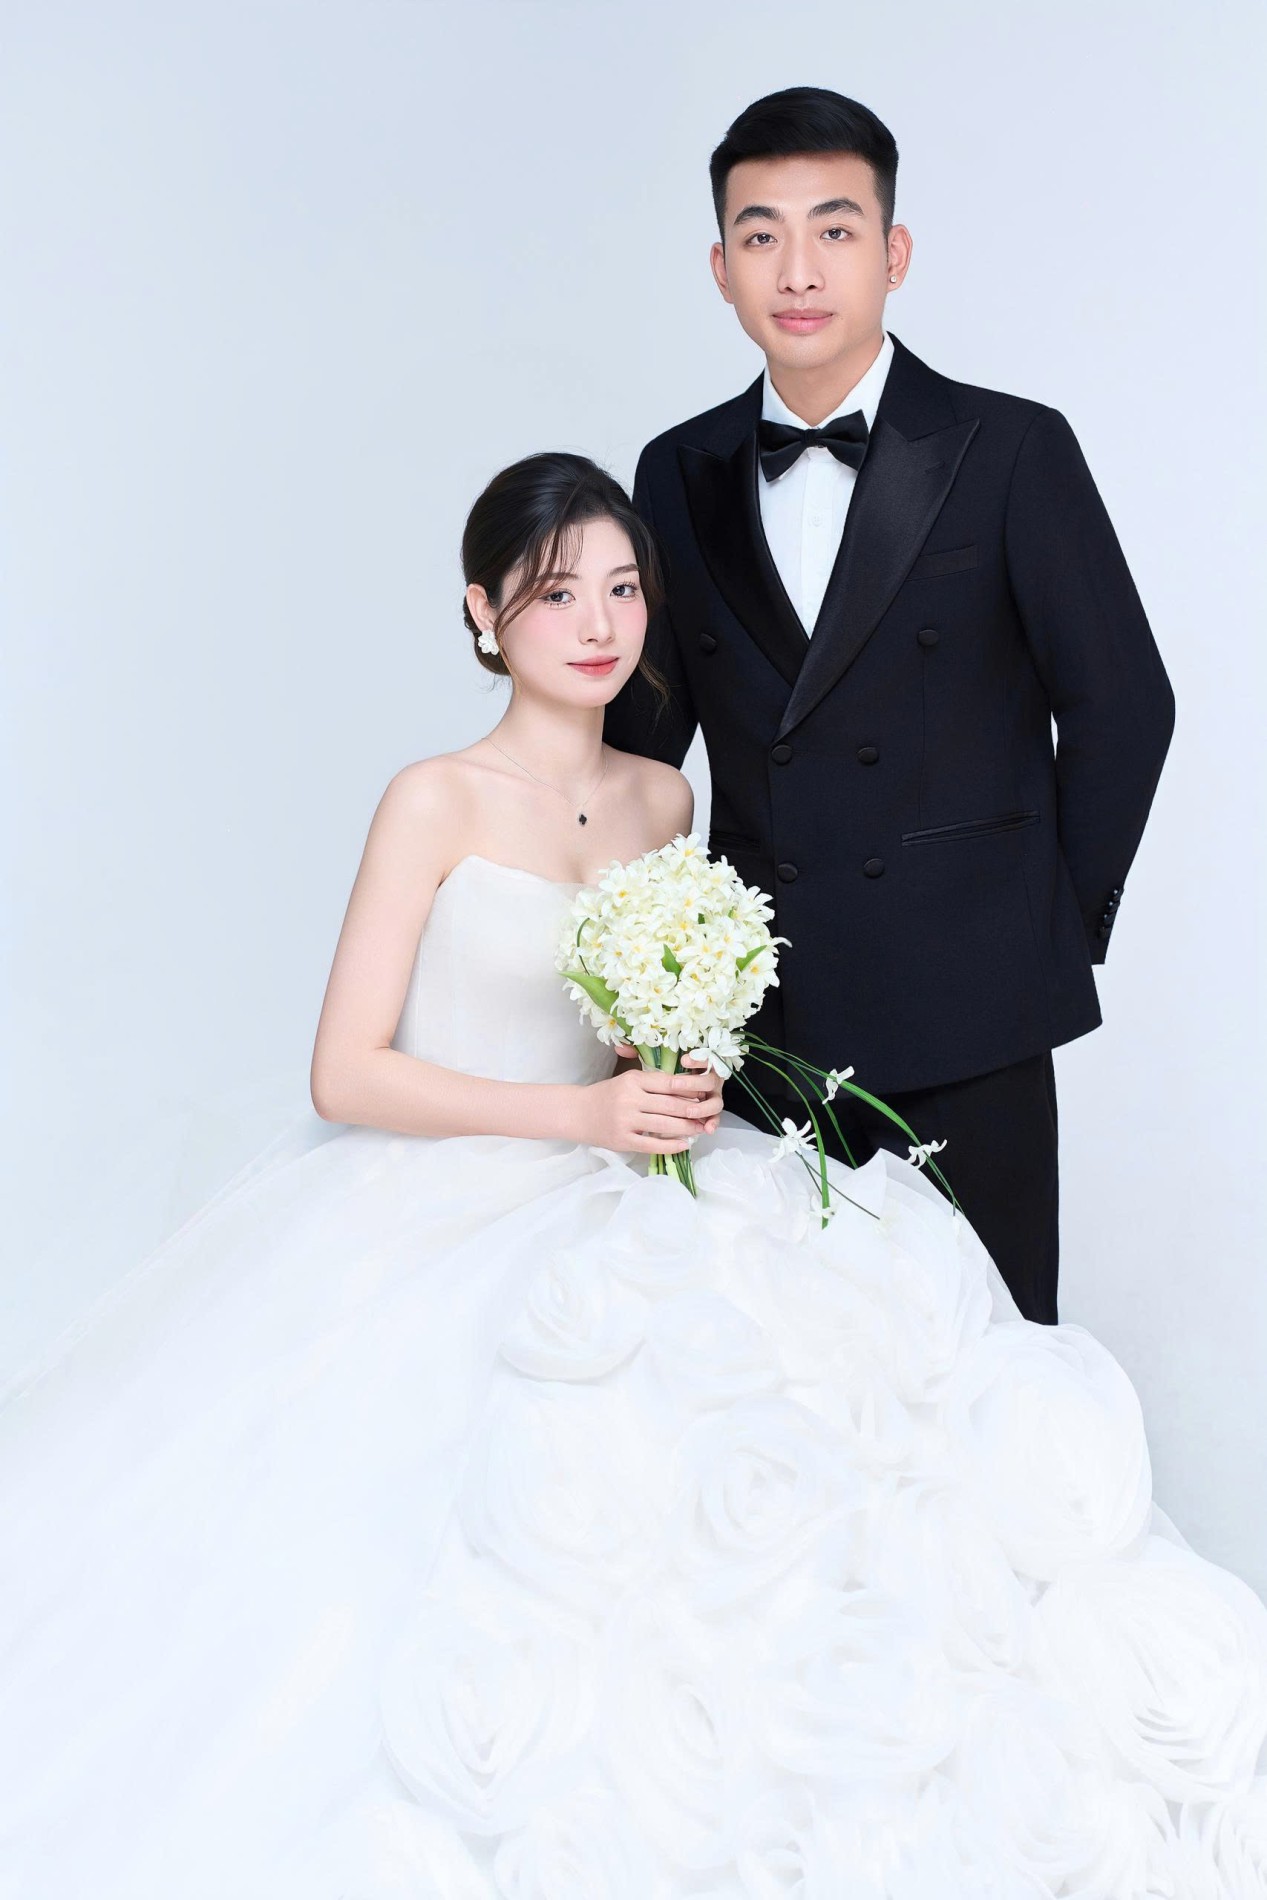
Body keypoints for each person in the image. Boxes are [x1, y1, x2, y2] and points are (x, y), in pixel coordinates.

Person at [1, 453, 1261, 1900]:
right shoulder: (432, 800)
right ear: (482, 613)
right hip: (444, 1193)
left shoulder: (666, 798)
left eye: (621, 588)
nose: (597, 624)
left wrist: (673, 1073)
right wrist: (579, 1118)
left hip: (629, 1187)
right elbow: (344, 1073)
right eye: (555, 595)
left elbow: (640, 1018)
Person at [603, 87, 1177, 1326]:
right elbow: (639, 754)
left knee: (986, 1364)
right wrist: (644, 990)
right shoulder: (675, 469)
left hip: (972, 1010)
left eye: (835, 229)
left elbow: (1124, 706)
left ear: (893, 252)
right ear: (719, 266)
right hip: (758, 1023)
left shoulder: (1010, 447)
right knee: (769, 1371)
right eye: (760, 235)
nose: (798, 270)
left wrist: (1041, 929)